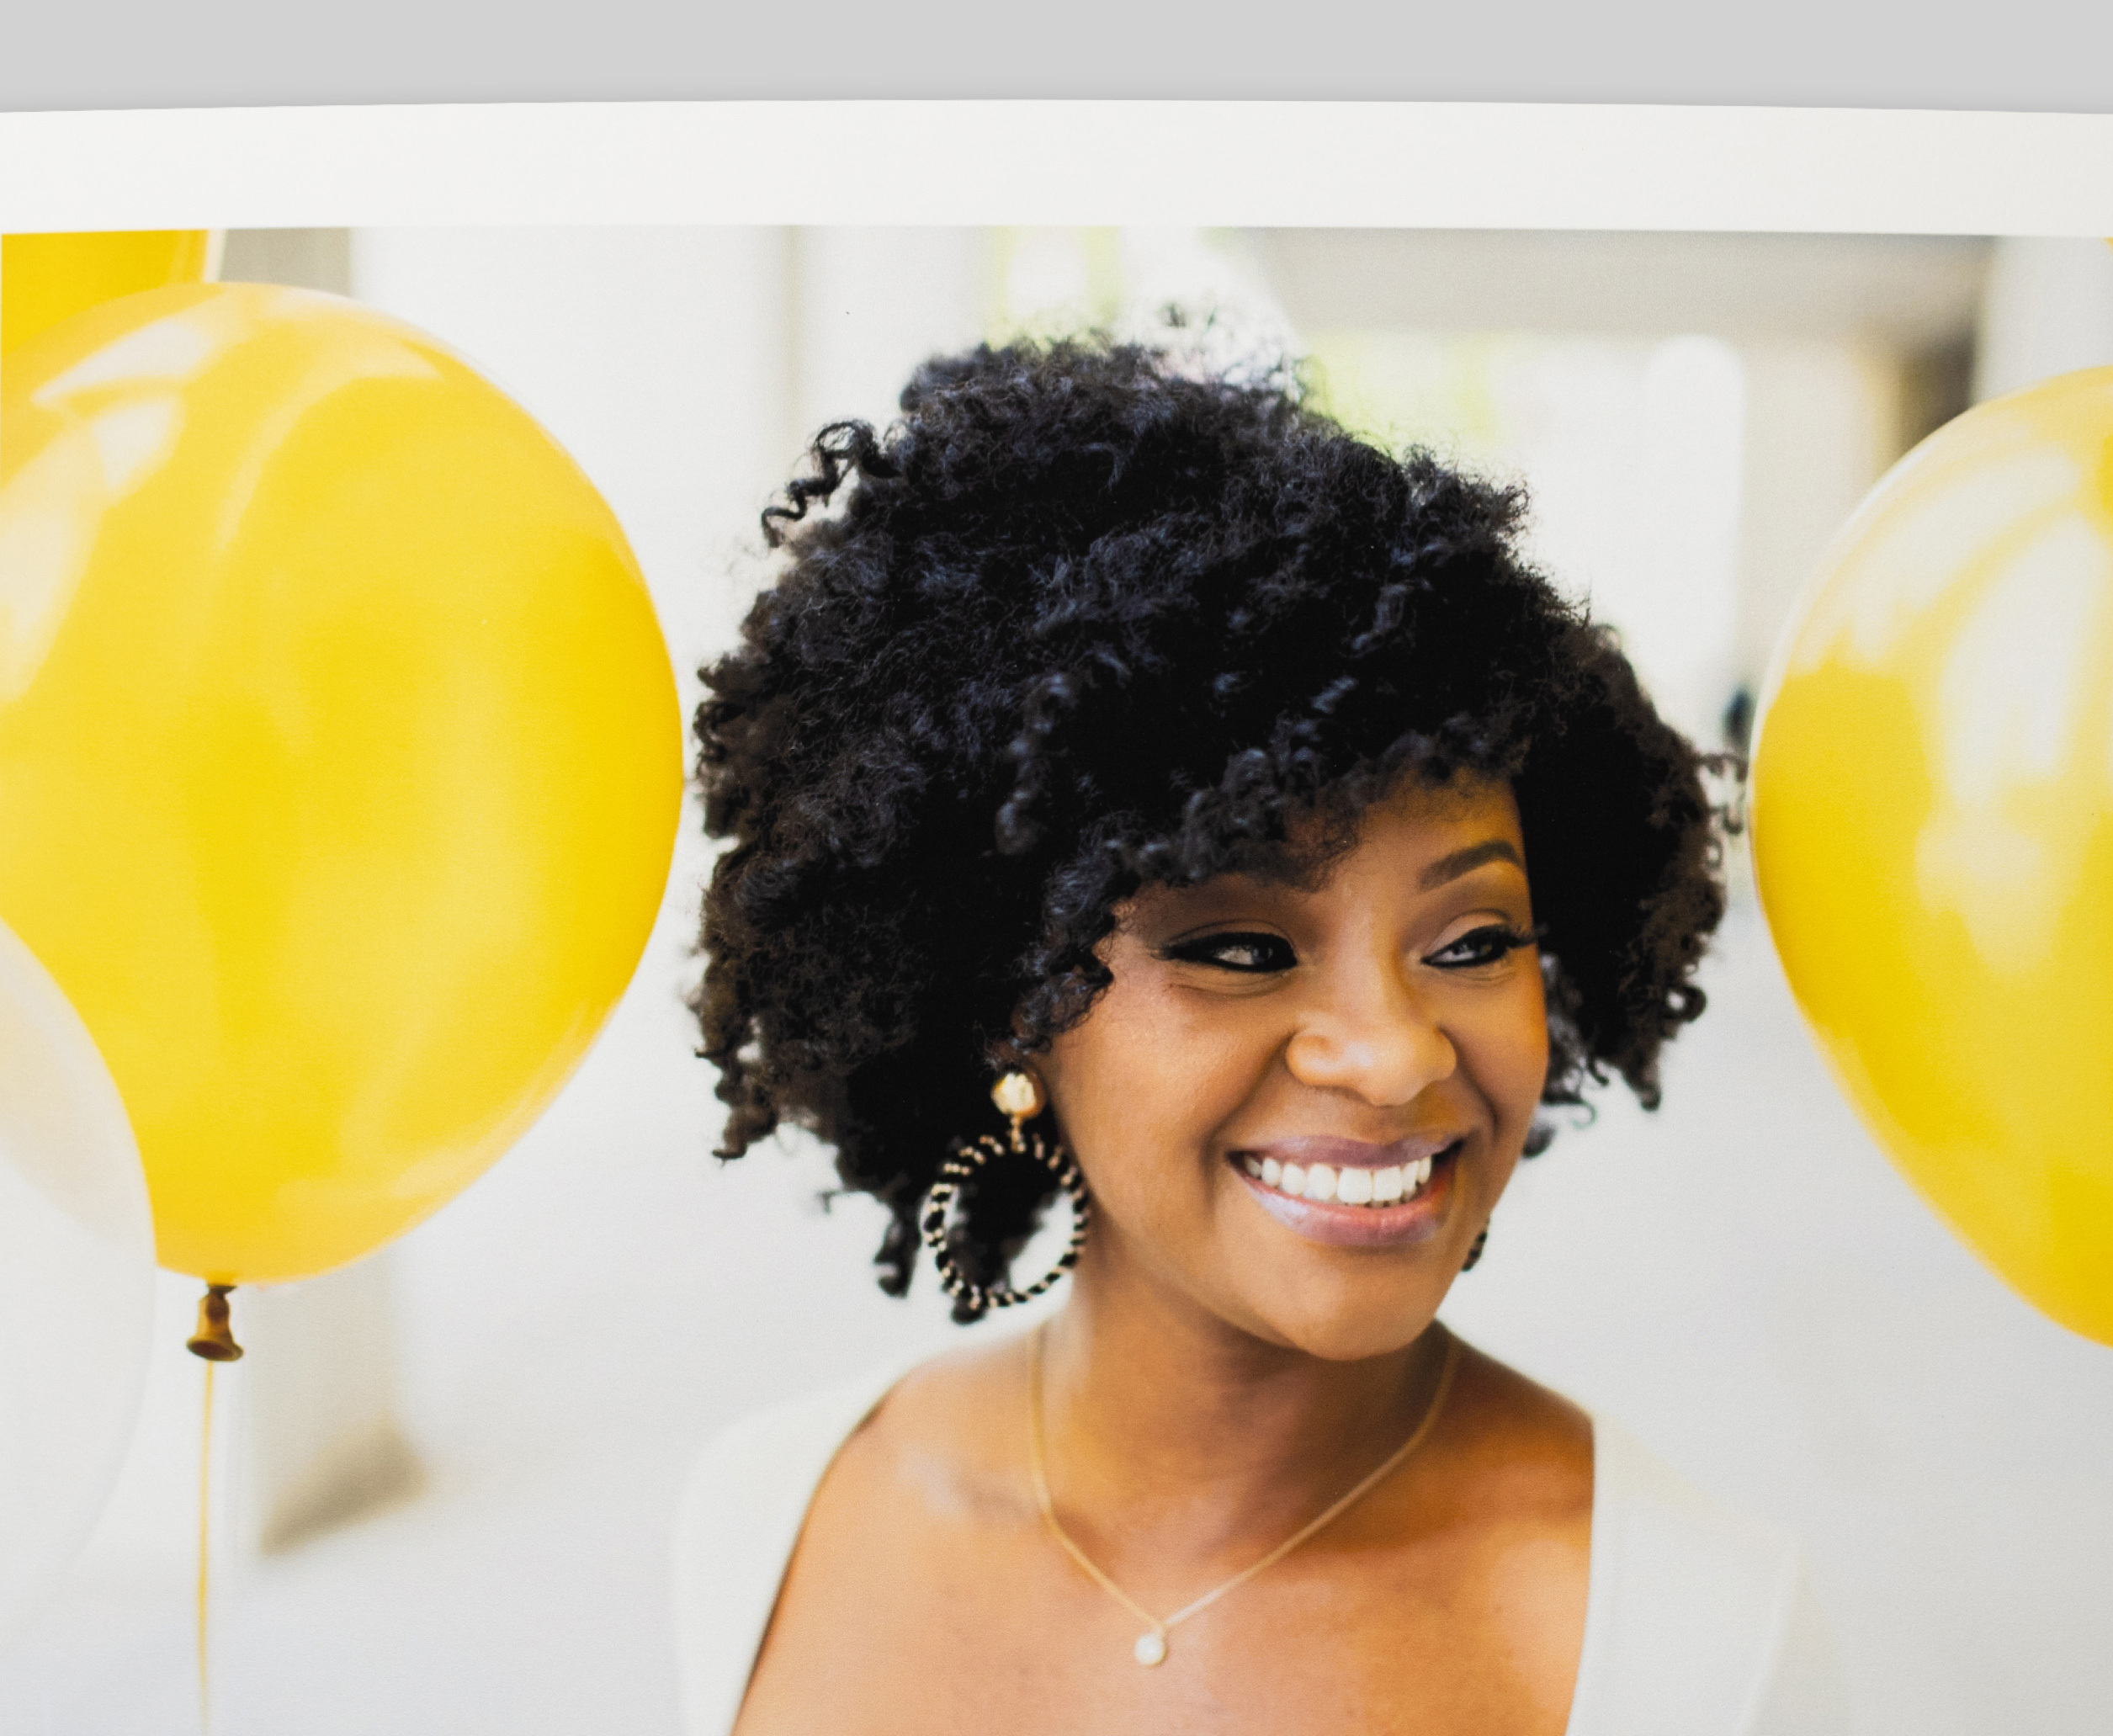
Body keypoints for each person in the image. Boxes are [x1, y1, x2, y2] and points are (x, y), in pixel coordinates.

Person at [672, 336, 1839, 1734]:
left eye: (1472, 944)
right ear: (1009, 995)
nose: (1396, 1053)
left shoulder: (1696, 1639)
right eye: (1240, 947)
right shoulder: (769, 1519)